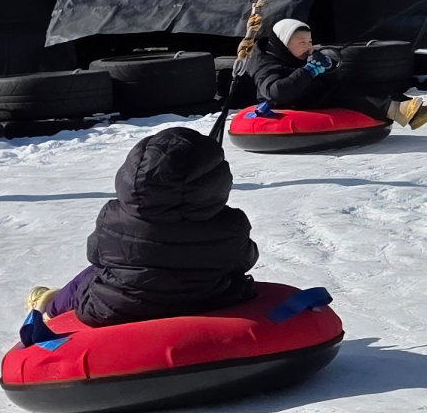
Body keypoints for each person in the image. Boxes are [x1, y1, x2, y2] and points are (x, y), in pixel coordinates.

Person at [24, 125, 259, 329]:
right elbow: (245, 260)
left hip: (117, 309)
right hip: (207, 300)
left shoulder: (112, 216)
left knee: (92, 275)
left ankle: (50, 306)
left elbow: (95, 256)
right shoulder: (232, 224)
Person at [244, 18, 427, 129]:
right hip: (284, 105)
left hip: (304, 92)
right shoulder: (265, 63)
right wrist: (309, 71)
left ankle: (409, 108)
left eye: (310, 41)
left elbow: (329, 78)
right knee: (342, 95)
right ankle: (396, 110)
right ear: (284, 43)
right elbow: (276, 92)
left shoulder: (296, 56)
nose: (308, 46)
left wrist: (326, 67)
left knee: (353, 82)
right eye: (302, 42)